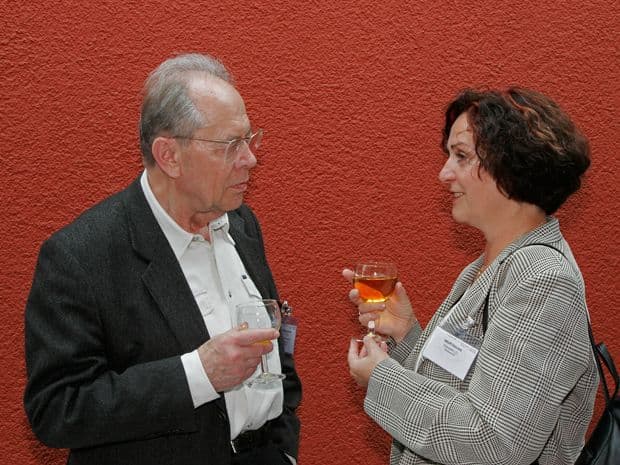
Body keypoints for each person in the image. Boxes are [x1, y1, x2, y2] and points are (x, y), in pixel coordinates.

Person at [24, 53, 301, 465]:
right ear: (169, 155)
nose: (250, 158)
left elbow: (276, 356)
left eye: (249, 139)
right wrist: (198, 374)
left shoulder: (242, 224)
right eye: (230, 145)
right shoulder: (80, 256)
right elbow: (58, 409)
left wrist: (283, 450)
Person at [345, 87, 598, 465]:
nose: (443, 173)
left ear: (511, 166)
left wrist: (381, 378)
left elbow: (494, 440)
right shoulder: (494, 264)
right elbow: (460, 387)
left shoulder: (543, 281)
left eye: (461, 156)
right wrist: (405, 334)